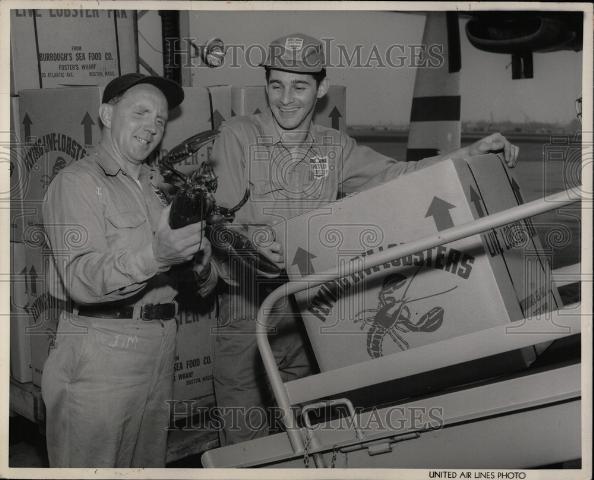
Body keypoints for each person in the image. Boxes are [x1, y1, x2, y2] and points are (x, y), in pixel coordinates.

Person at [209, 33, 520, 445]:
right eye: (276, 84)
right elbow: (220, 222)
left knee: (311, 441)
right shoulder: (236, 136)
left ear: (320, 90)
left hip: (309, 313)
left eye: (299, 86)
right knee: (243, 445)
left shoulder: (335, 147)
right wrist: (251, 244)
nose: (286, 98)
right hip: (246, 311)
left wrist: (469, 152)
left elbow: (399, 175)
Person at [41, 73, 216, 467]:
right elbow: (82, 277)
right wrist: (157, 255)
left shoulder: (158, 189)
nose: (152, 127)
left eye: (160, 119)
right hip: (101, 353)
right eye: (140, 112)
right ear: (106, 114)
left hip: (159, 348)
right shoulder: (77, 184)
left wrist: (201, 265)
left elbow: (198, 284)